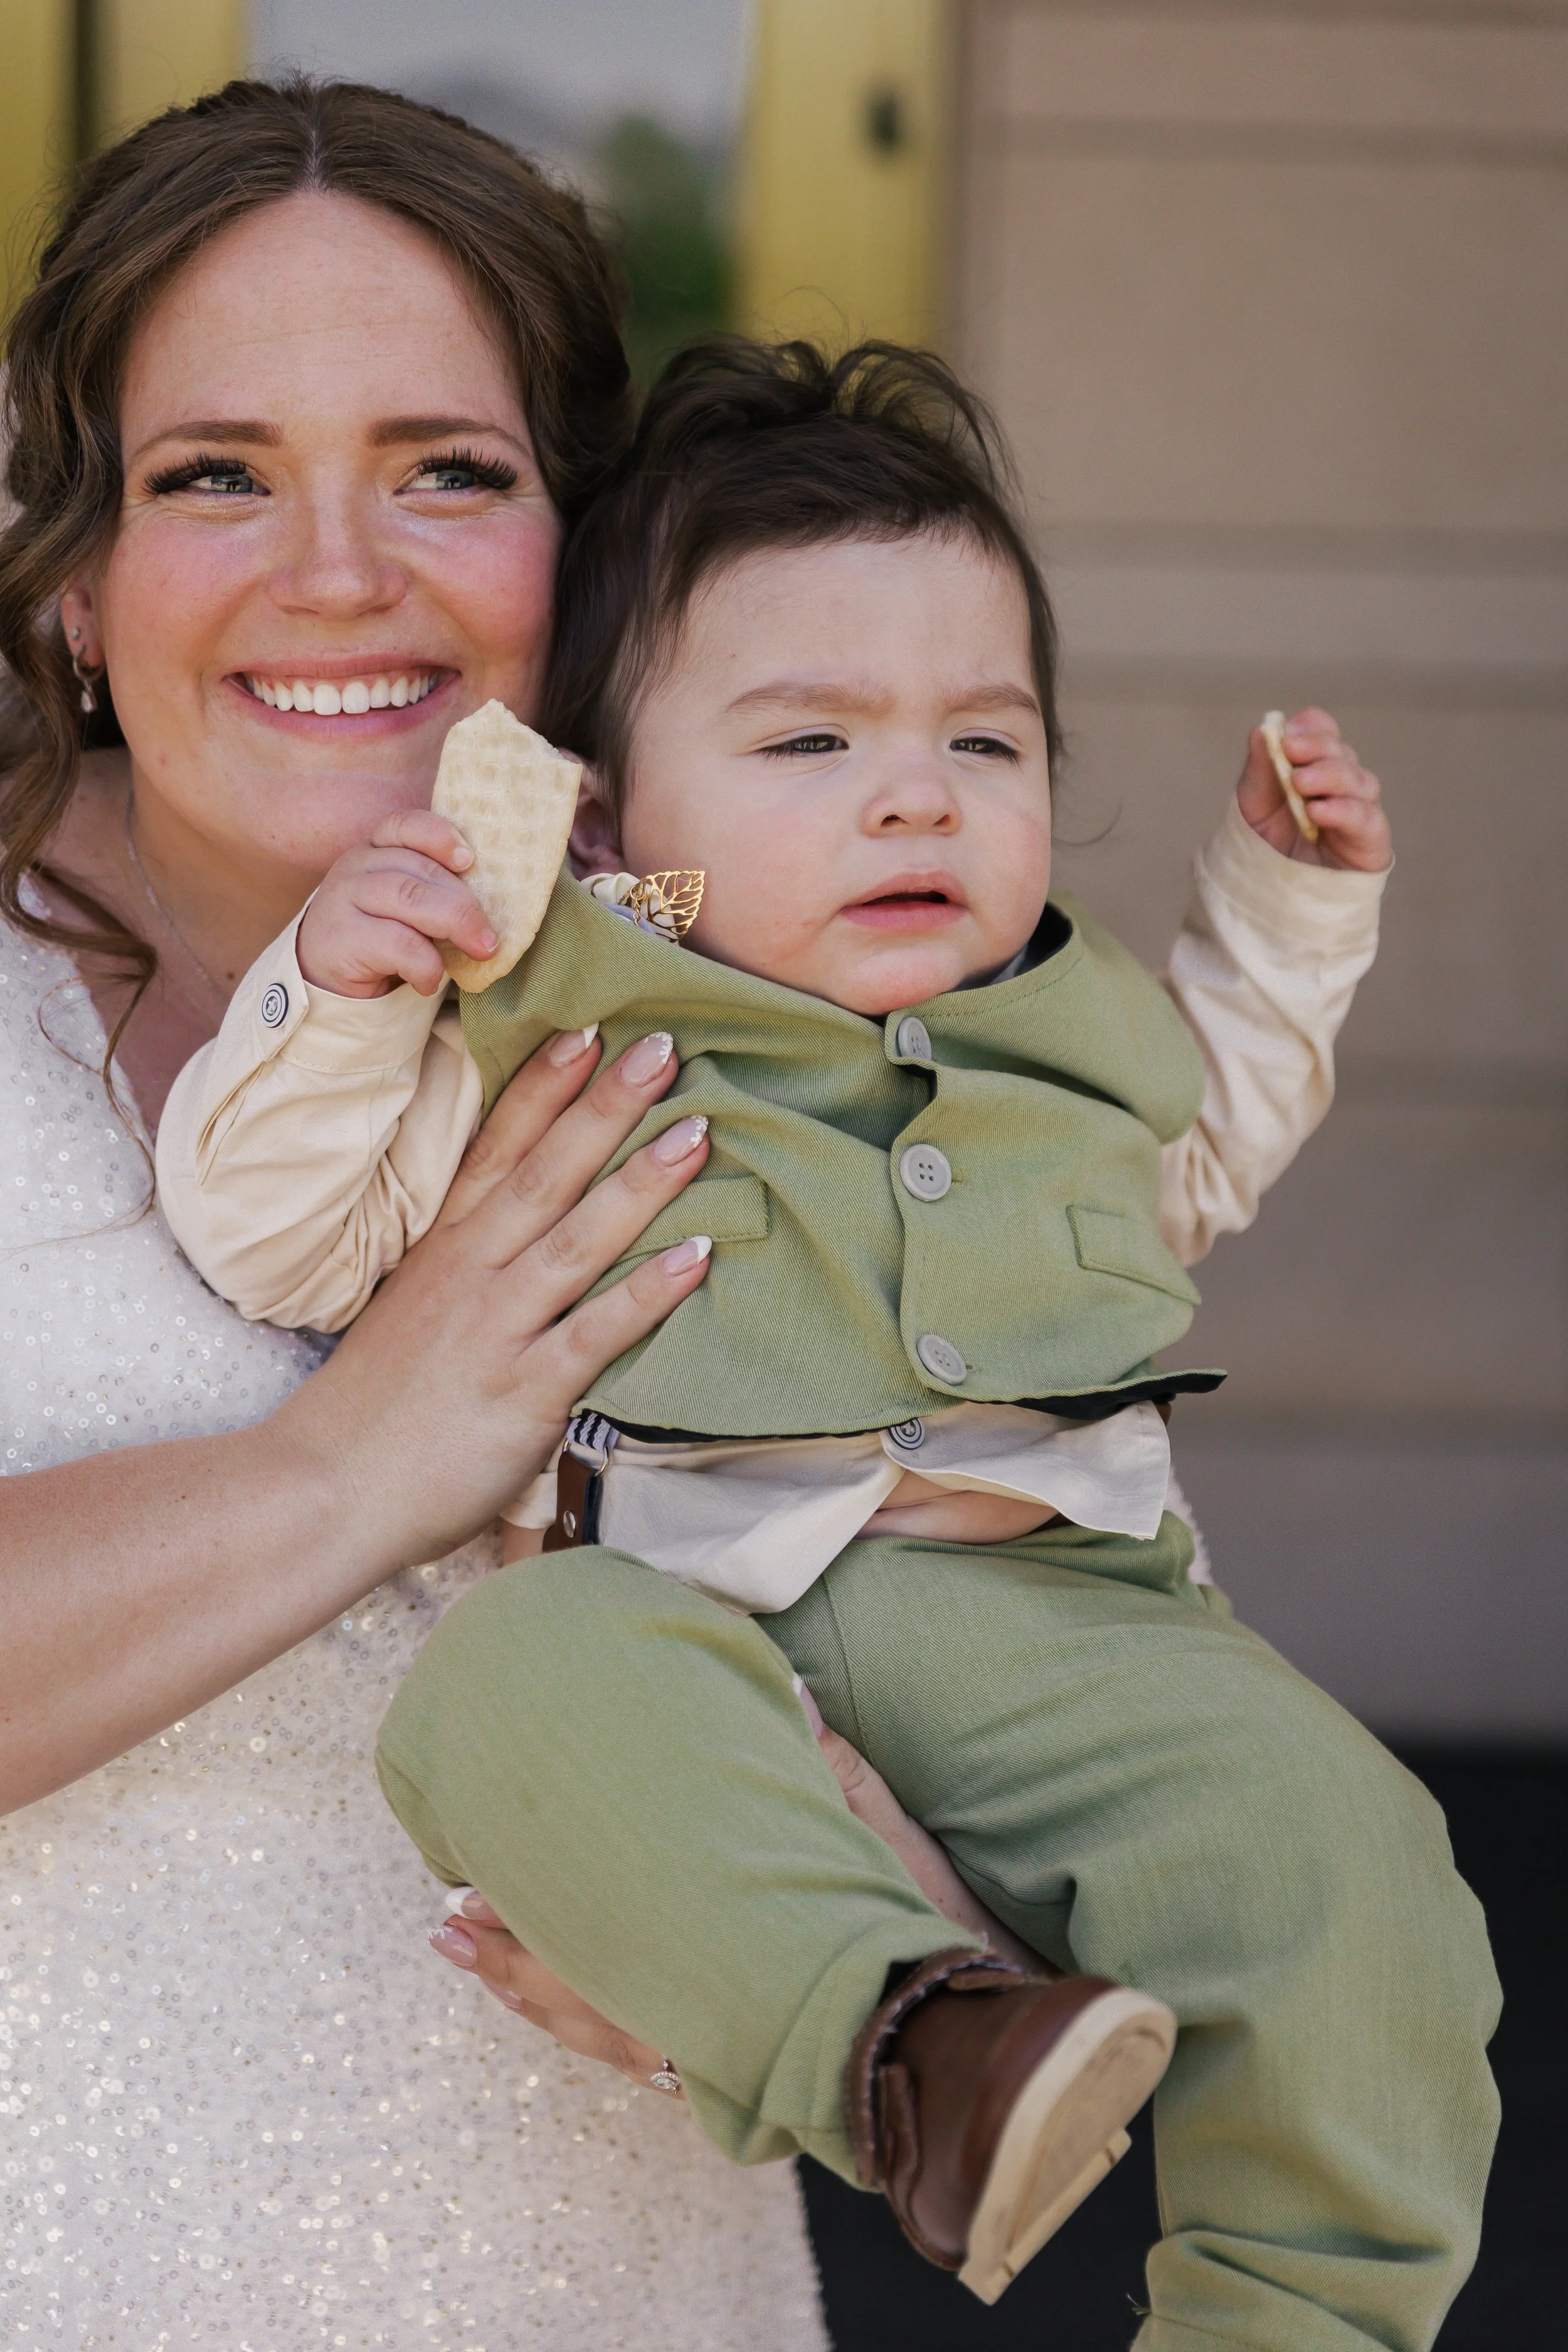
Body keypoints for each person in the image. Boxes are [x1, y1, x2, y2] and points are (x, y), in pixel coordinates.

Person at [158, 337, 1500, 2344]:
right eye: (809, 745)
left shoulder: (1067, 1025)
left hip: (1072, 1635)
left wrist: (1290, 907)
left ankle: (1290, 2313)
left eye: (986, 743)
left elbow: (1204, 1135)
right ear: (611, 823)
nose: (911, 793)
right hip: (698, 1635)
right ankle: (918, 2055)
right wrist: (339, 1004)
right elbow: (279, 1231)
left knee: (1351, 1852)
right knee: (504, 1692)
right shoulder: (542, 1021)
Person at [0, 79, 834, 2347]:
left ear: (593, 550)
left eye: (448, 467)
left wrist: (833, 1927)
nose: (338, 573)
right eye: (212, 477)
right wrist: (357, 1455)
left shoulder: (752, 987)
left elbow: (1047, 1645)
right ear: (76, 573)